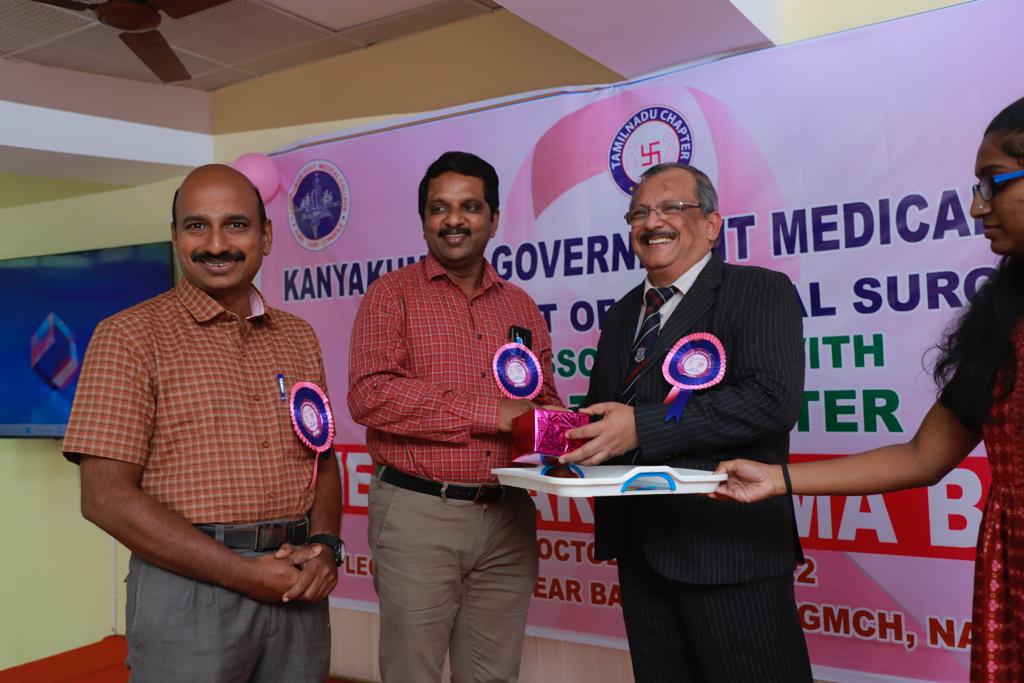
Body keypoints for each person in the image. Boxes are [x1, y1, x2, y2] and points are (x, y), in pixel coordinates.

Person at [713, 97, 1024, 683]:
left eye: (994, 182)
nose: (978, 206)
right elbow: (922, 456)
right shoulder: (1002, 322)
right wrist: (776, 480)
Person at [63, 164, 342, 682]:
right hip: (188, 593)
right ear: (175, 237)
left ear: (266, 236)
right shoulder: (128, 337)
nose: (217, 244)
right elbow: (104, 498)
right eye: (197, 226)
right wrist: (243, 574)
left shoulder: (298, 336)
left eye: (236, 224)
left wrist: (326, 547)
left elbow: (321, 458)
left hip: (296, 587)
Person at [561, 162, 812, 681]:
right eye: (639, 213)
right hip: (641, 551)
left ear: (712, 224)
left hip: (729, 551)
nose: (652, 222)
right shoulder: (623, 313)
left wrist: (642, 427)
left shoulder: (760, 291)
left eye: (671, 207)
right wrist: (554, 438)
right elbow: (606, 412)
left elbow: (770, 400)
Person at [347, 151, 562, 682]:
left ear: (494, 218)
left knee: (493, 675)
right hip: (421, 512)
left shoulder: (521, 307)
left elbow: (544, 402)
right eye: (439, 208)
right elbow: (371, 395)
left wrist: (572, 431)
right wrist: (493, 412)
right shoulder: (391, 295)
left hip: (509, 515)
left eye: (470, 206)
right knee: (412, 672)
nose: (453, 220)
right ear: (424, 220)